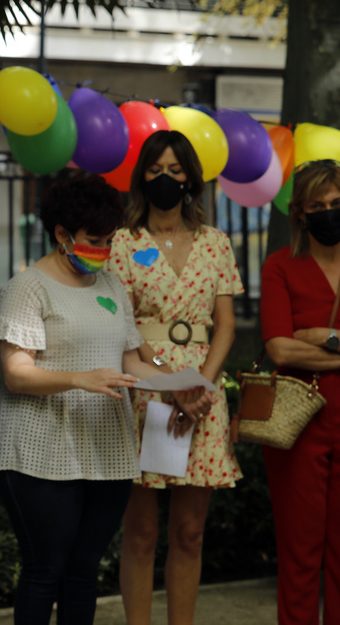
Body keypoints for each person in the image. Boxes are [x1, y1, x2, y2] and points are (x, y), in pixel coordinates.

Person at [0, 175, 194, 625]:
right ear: (62, 234)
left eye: (109, 239)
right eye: (94, 240)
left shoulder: (111, 286)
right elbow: (16, 374)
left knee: (83, 574)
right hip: (37, 453)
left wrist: (175, 382)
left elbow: (128, 363)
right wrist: (81, 378)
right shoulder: (28, 287)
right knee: (45, 570)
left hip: (105, 450)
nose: (103, 250)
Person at [106, 130, 241, 625]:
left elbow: (225, 323)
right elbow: (122, 320)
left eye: (176, 170)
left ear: (191, 178)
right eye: (156, 170)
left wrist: (200, 386)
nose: (166, 179)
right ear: (143, 176)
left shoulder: (216, 243)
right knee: (140, 532)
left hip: (202, 393)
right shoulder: (124, 242)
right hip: (147, 388)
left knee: (190, 532)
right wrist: (169, 381)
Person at [260, 158, 340, 625]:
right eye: (318, 205)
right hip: (299, 425)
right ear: (300, 214)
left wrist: (316, 335)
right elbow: (279, 348)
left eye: (336, 203)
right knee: (300, 554)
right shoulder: (280, 266)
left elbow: (297, 342)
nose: (329, 212)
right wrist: (310, 341)